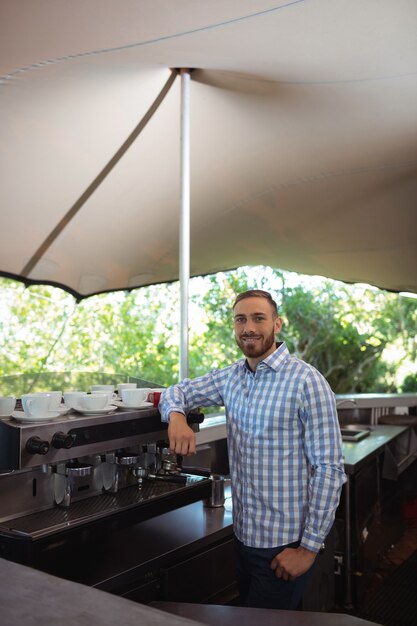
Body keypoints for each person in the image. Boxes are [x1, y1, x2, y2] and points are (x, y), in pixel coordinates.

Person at [159, 289, 347, 610]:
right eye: (240, 319)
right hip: (243, 539)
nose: (248, 327)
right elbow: (177, 391)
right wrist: (176, 417)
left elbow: (328, 469)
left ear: (277, 325)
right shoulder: (230, 378)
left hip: (285, 545)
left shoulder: (306, 381)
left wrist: (308, 550)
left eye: (258, 318)